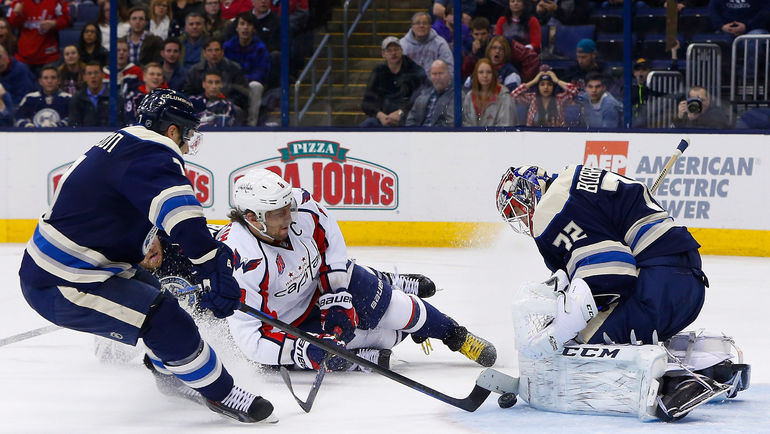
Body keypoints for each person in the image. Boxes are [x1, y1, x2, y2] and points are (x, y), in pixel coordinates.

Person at [18, 88, 276, 424]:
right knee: (163, 316)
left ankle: (170, 372)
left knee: (159, 303)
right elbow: (181, 214)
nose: (188, 143)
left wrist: (206, 259)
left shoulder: (127, 142)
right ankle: (223, 394)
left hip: (81, 267)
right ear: (172, 131)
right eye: (188, 134)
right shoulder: (154, 155)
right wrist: (213, 264)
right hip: (65, 281)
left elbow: (131, 209)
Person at [495, 164, 743, 421]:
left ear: (532, 192)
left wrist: (561, 331)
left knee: (580, 343)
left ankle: (669, 385)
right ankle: (711, 360)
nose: (521, 217)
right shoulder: (574, 176)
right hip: (687, 281)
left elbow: (612, 269)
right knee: (610, 323)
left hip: (658, 287)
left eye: (518, 208)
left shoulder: (551, 208)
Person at [220, 169, 497, 371]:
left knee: (396, 309)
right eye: (278, 214)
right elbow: (250, 338)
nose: (289, 217)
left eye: (287, 208)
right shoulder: (239, 260)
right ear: (252, 218)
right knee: (354, 346)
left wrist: (336, 294)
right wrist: (301, 350)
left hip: (322, 282)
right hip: (292, 320)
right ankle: (368, 352)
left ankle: (455, 335)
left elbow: (332, 246)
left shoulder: (300, 204)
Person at [360, 36, 426, 127]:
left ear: (401, 50)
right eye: (389, 50)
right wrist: (380, 115)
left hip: (408, 117)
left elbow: (422, 96)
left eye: (396, 49)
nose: (393, 53)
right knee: (366, 125)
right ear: (383, 54)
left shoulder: (414, 70)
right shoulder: (378, 71)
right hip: (383, 118)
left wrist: (401, 112)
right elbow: (366, 102)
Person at [223, 12, 269, 126]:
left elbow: (262, 71)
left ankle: (251, 124)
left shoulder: (260, 47)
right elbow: (224, 68)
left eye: (249, 24)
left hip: (249, 84)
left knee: (256, 86)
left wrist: (244, 79)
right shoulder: (228, 46)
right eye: (242, 24)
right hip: (232, 83)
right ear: (237, 28)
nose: (245, 27)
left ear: (253, 28)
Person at [7, 0, 71, 73]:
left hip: (49, 56)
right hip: (24, 56)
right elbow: (10, 23)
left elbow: (67, 21)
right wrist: (16, 14)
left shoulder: (56, 2)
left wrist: (55, 23)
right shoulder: (19, 2)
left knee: (49, 82)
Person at [510, 67, 578, 127]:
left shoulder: (560, 98)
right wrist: (533, 81)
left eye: (549, 84)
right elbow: (513, 95)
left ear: (553, 87)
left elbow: (574, 91)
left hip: (556, 136)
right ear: (538, 87)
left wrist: (557, 80)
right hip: (533, 135)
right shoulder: (533, 98)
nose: (546, 87)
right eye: (542, 84)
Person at [462, 58, 516, 126]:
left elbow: (506, 125)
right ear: (476, 75)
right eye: (481, 72)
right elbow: (465, 123)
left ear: (493, 74)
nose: (485, 76)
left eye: (489, 72)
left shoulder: (504, 96)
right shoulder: (469, 96)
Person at [399, 12, 454, 76]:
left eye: (425, 23)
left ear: (430, 26)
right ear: (412, 27)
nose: (421, 26)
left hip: (435, 84)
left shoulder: (440, 43)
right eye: (417, 23)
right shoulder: (402, 45)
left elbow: (449, 67)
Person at [69, 61, 120, 126]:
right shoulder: (76, 99)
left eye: (96, 73)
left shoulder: (115, 98)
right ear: (84, 77)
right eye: (89, 73)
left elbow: (119, 123)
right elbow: (73, 124)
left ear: (102, 75)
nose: (93, 76)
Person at [405, 59, 454, 127]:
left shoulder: (456, 95)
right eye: (434, 74)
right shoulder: (423, 94)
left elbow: (451, 124)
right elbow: (410, 120)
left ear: (448, 74)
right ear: (430, 76)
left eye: (441, 73)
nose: (437, 77)